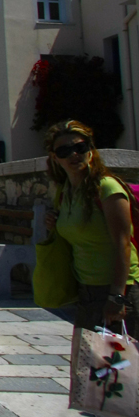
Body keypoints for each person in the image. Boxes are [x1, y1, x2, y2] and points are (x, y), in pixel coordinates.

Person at [42, 120, 139, 340]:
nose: (74, 154)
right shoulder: (66, 192)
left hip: (118, 289)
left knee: (118, 369)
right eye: (64, 151)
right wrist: (54, 224)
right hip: (86, 291)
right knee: (88, 368)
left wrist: (116, 297)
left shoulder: (107, 188)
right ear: (55, 157)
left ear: (91, 151)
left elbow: (123, 244)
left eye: (80, 147)